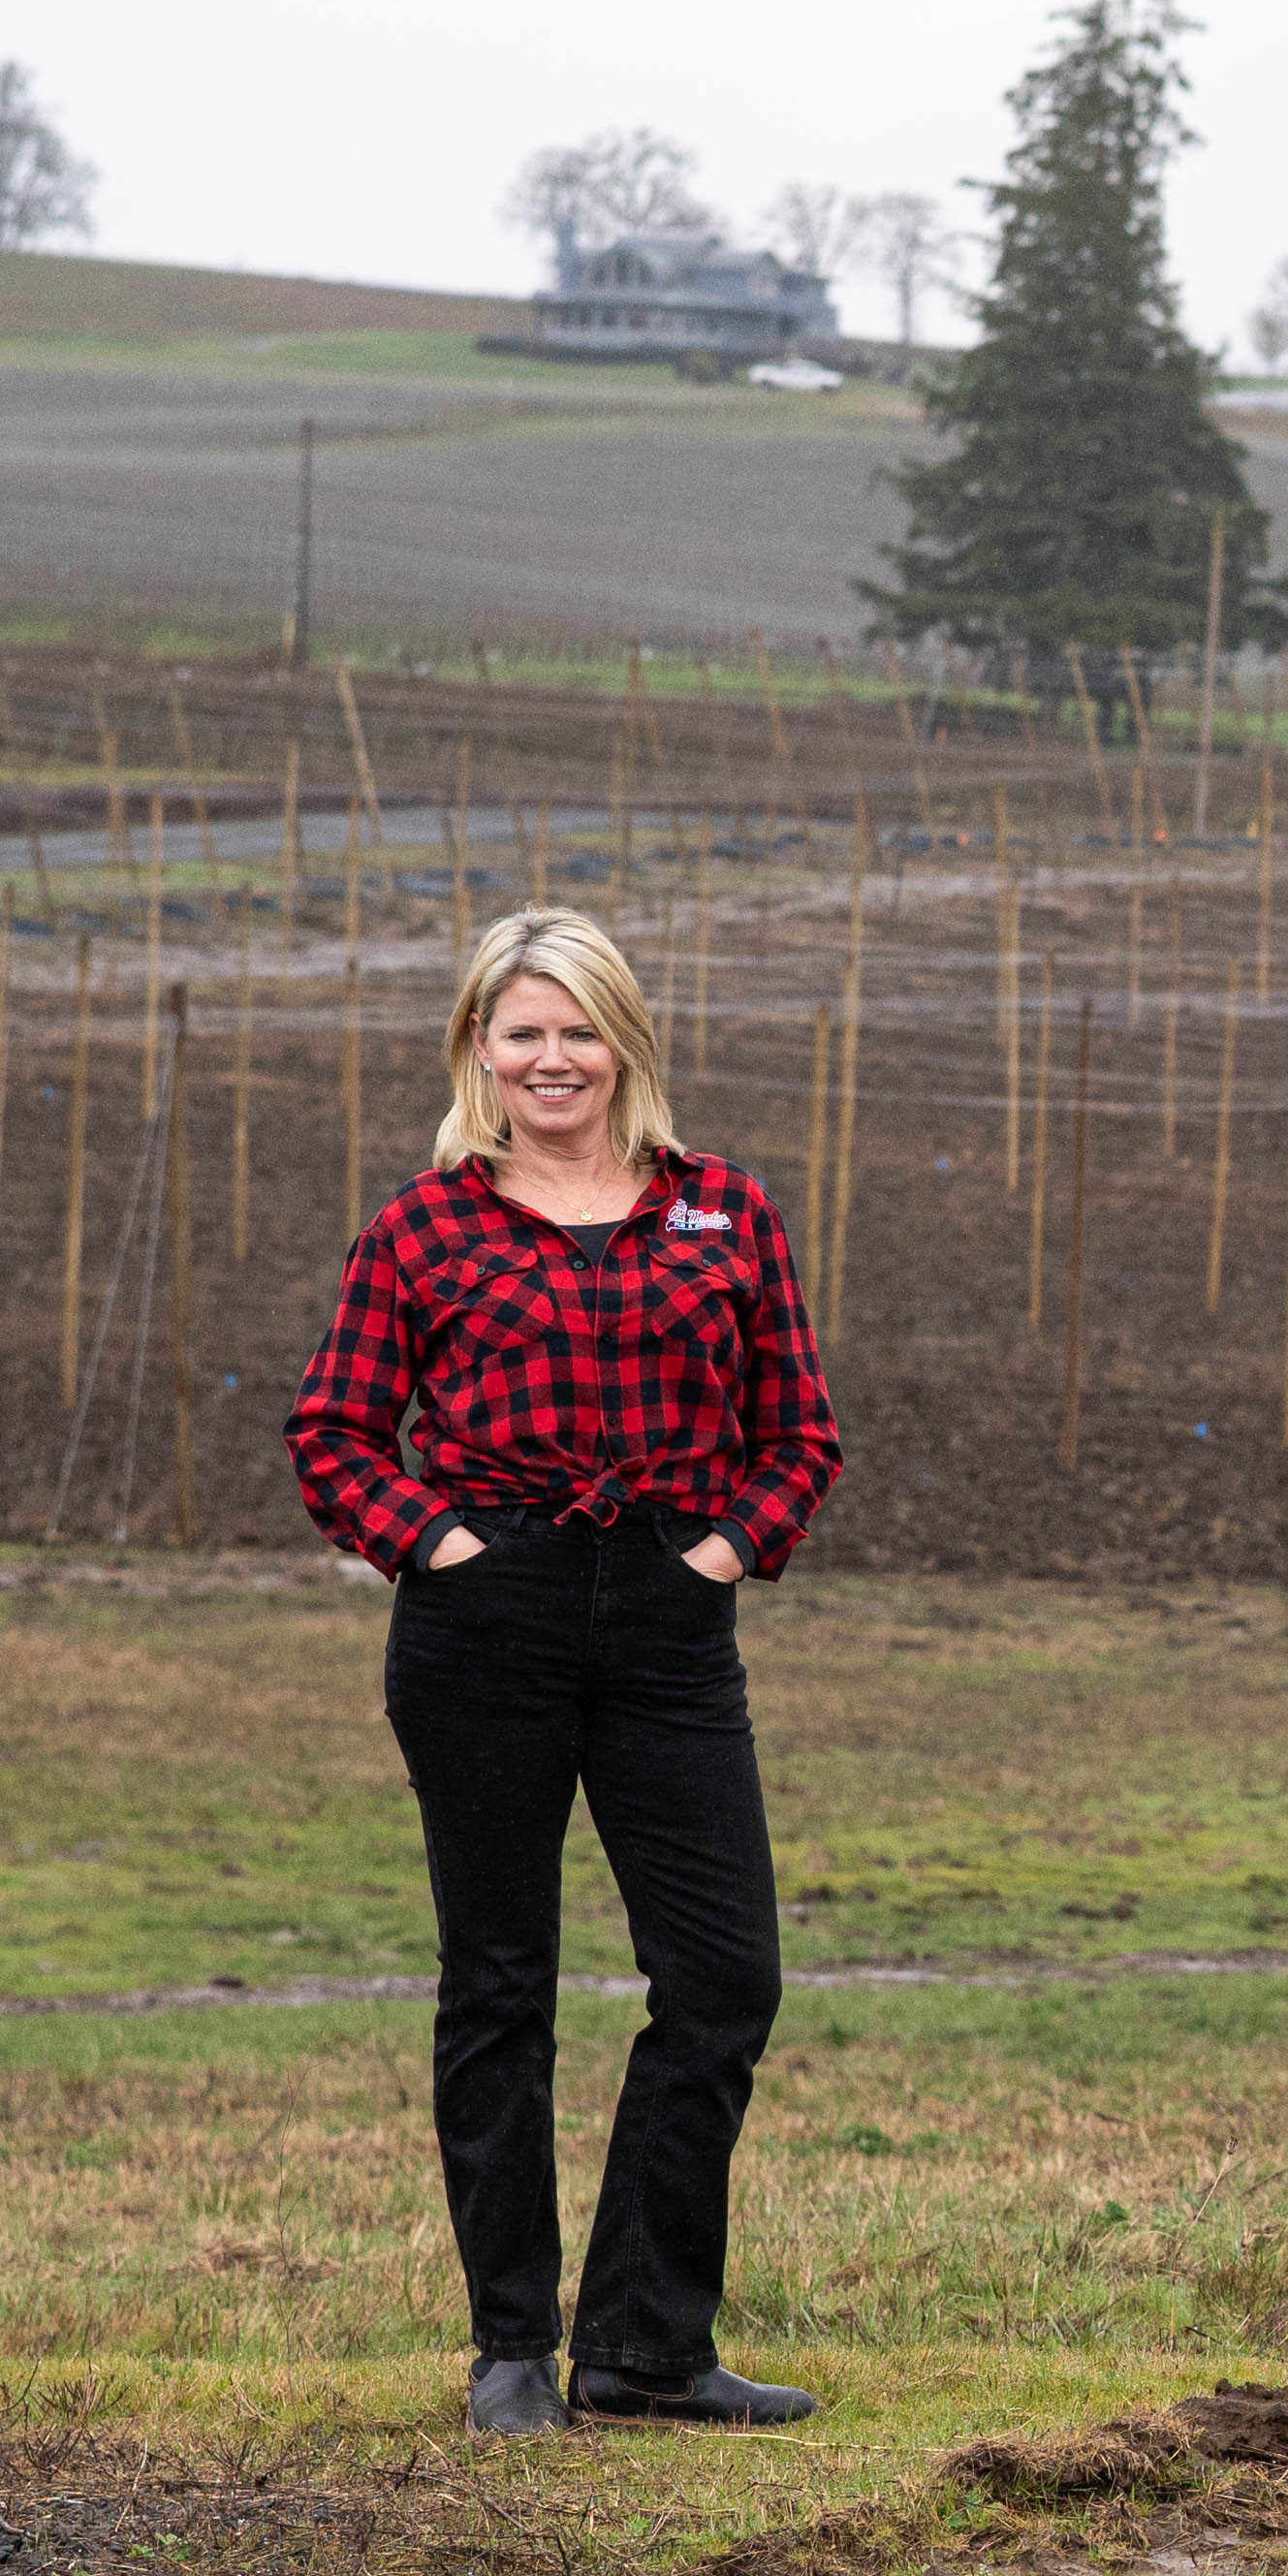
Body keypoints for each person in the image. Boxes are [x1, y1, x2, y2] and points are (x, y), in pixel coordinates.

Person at [286, 909, 839, 2435]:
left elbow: (803, 1434)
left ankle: (646, 2346)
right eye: (520, 1031)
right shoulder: (424, 1227)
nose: (552, 1058)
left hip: (669, 1621)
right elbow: (331, 1431)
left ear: (624, 1044)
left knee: (724, 1979)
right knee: (501, 1983)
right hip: (486, 1625)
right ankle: (515, 2348)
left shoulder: (723, 1212)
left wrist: (723, 1551)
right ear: (478, 1047)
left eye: (578, 1029)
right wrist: (444, 1548)